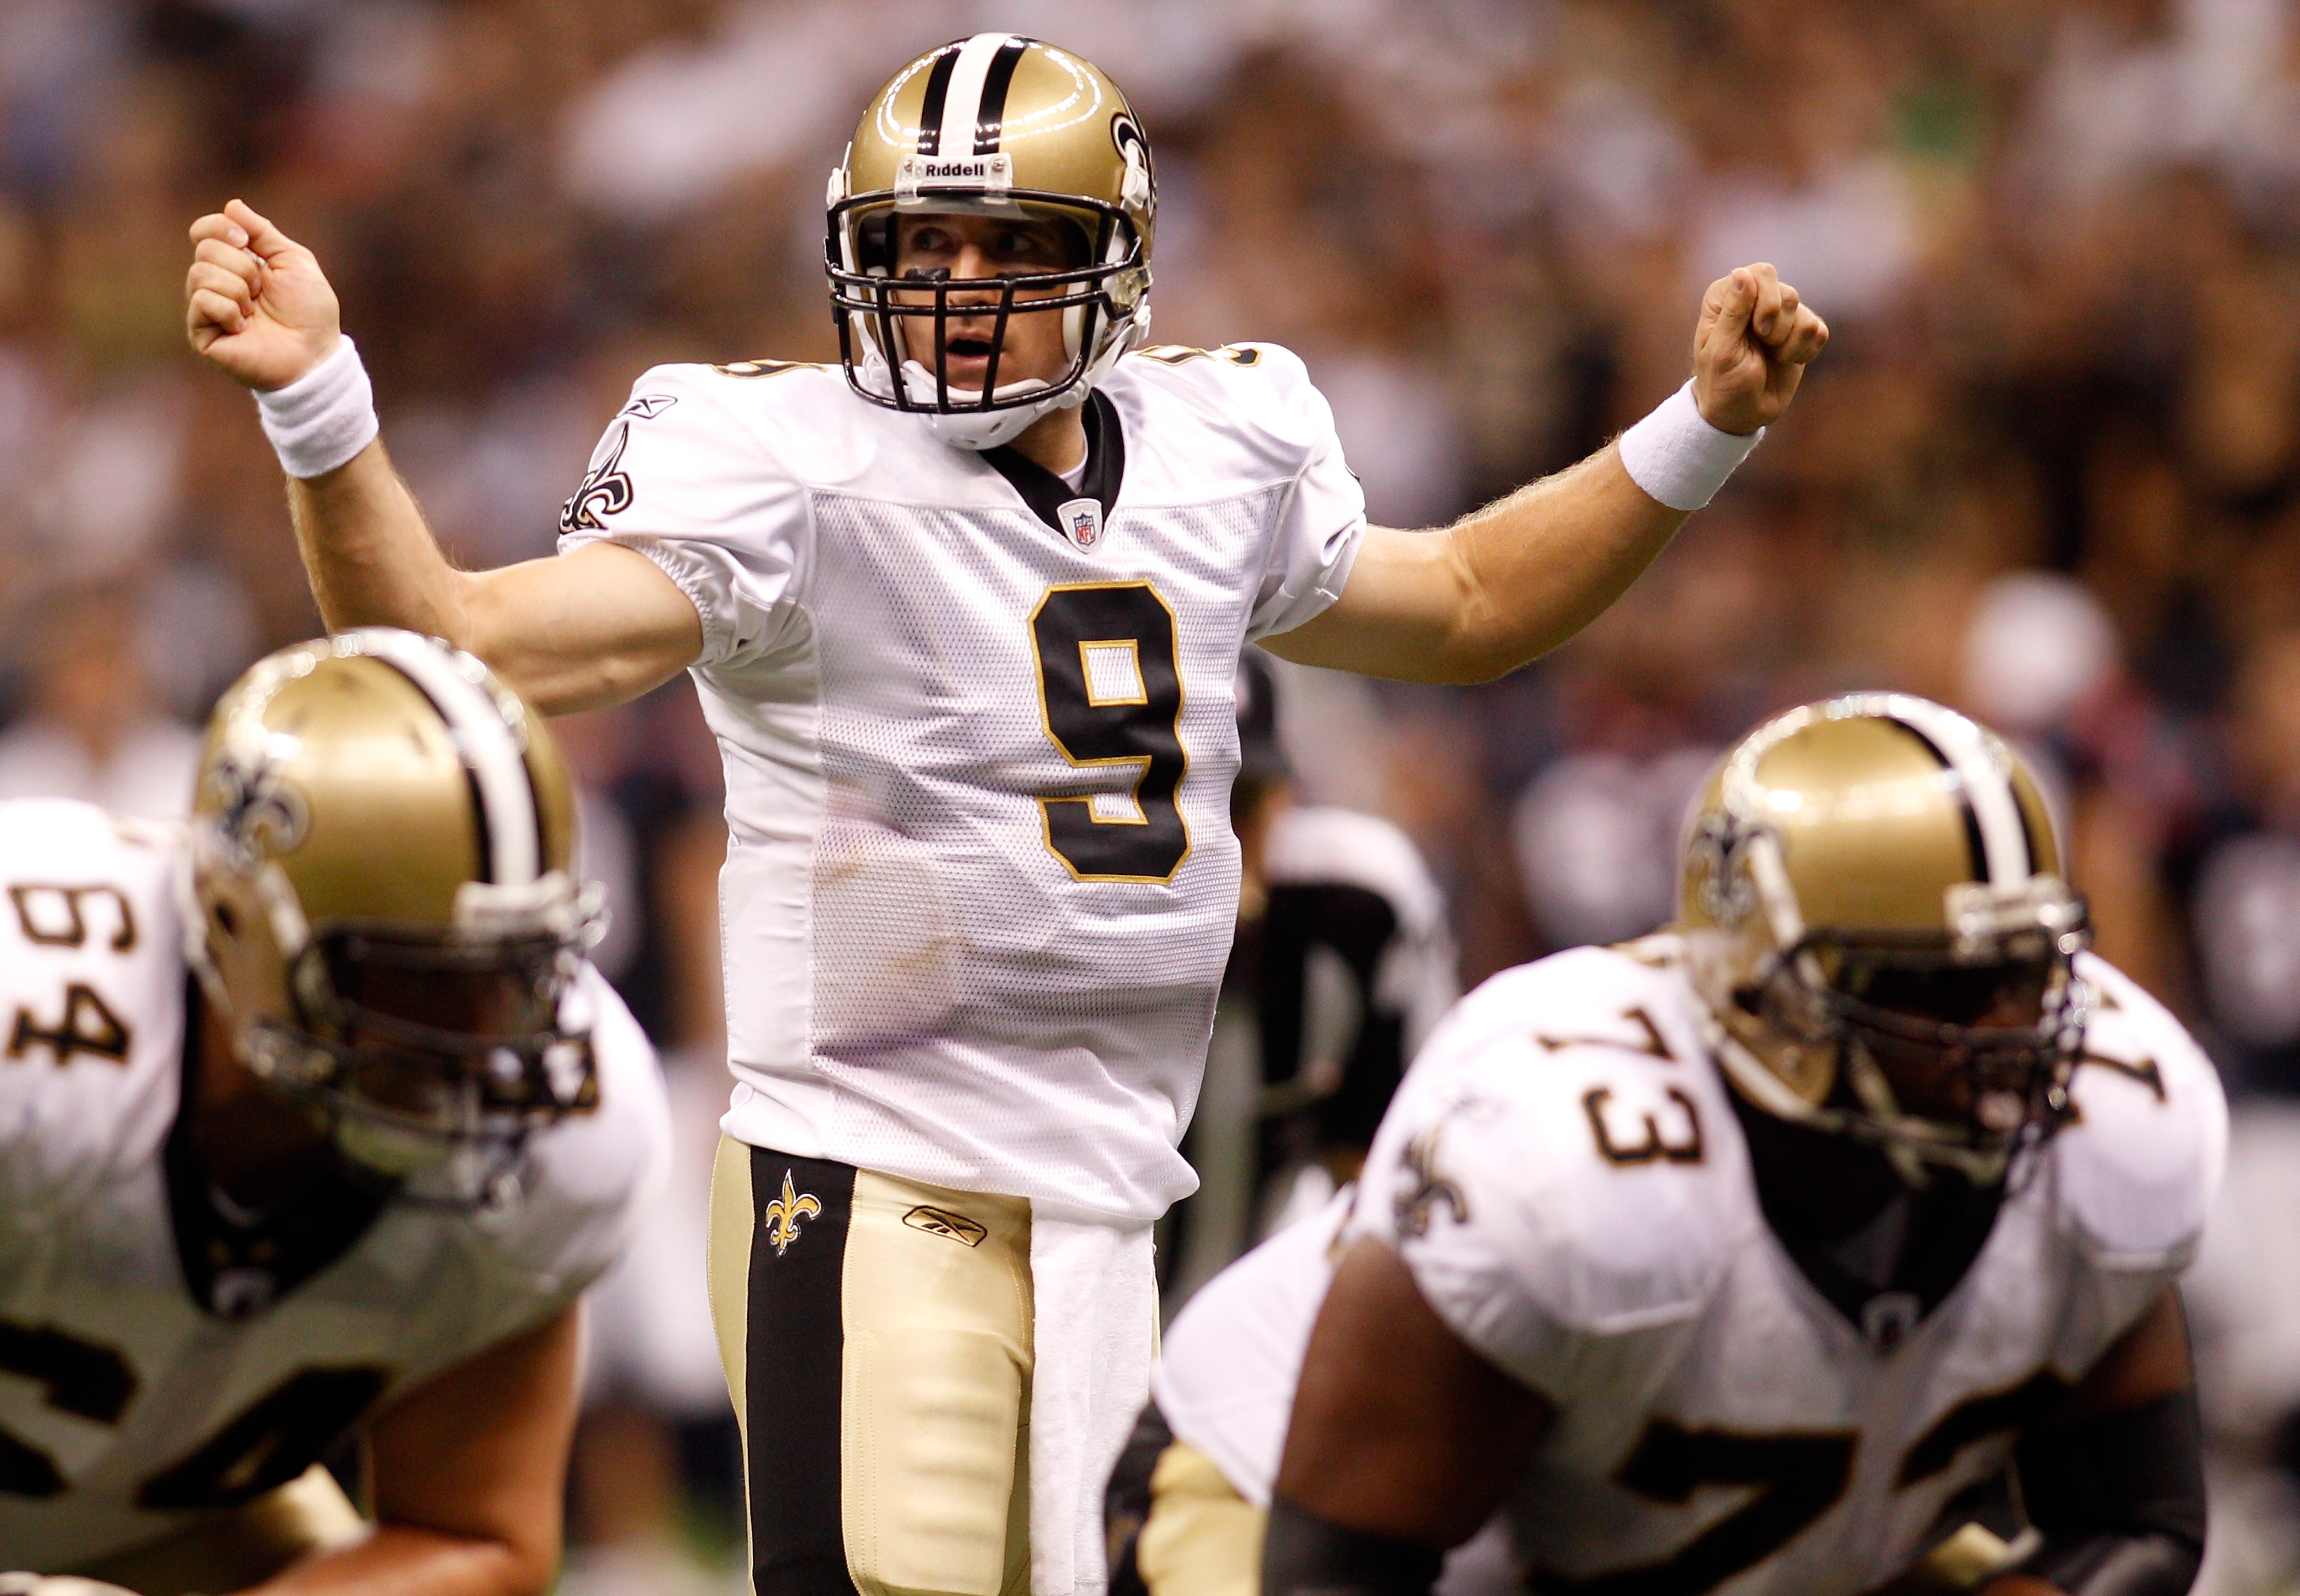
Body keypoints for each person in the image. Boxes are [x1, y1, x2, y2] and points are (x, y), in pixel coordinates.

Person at [181, 35, 1828, 1596]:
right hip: (870, 1156)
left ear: (1111, 256)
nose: (955, 290)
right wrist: (320, 400)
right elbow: (459, 645)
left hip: (1120, 1184)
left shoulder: (1219, 440)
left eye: (1006, 243)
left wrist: (1695, 431)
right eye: (919, 244)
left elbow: (1470, 600)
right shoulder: (784, 462)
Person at [1191, 694, 2217, 1596]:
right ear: (1764, 992)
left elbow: (2136, 1525)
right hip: (1291, 1506)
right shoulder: (1573, 1161)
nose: (2004, 1035)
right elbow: (1338, 1573)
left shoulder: (2111, 1126)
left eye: (2026, 975)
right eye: (1938, 989)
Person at [0, 629, 670, 1596]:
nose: (479, 1048)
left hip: (164, 1532)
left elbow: (479, 1539)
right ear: (236, 930)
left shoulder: (571, 1122)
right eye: (412, 984)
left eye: (510, 981)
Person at [1162, 651, 1454, 1305]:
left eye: (1235, 804)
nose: (1210, 842)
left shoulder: (1359, 907)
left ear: (1283, 802)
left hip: (1255, 1330)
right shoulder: (1047, 932)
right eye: (1174, 802)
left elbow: (1387, 1185)